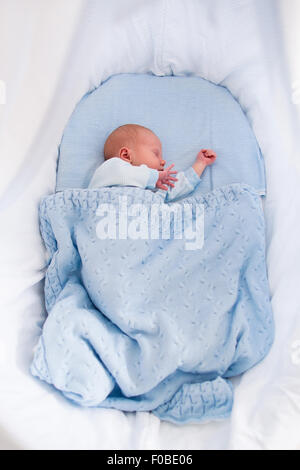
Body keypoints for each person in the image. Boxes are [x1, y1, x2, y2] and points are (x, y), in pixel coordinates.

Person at [88, 124, 217, 202]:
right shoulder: (109, 171)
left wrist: (200, 164)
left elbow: (177, 186)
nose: (163, 161)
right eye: (156, 153)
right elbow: (122, 172)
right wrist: (153, 176)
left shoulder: (152, 188)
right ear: (126, 155)